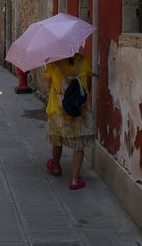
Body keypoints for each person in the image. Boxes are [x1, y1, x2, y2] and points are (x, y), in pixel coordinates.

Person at [43, 50, 94, 190]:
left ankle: (55, 166)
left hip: (58, 109)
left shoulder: (52, 63)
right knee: (79, 145)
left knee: (57, 140)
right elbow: (88, 87)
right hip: (80, 111)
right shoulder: (84, 62)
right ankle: (75, 180)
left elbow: (48, 86)